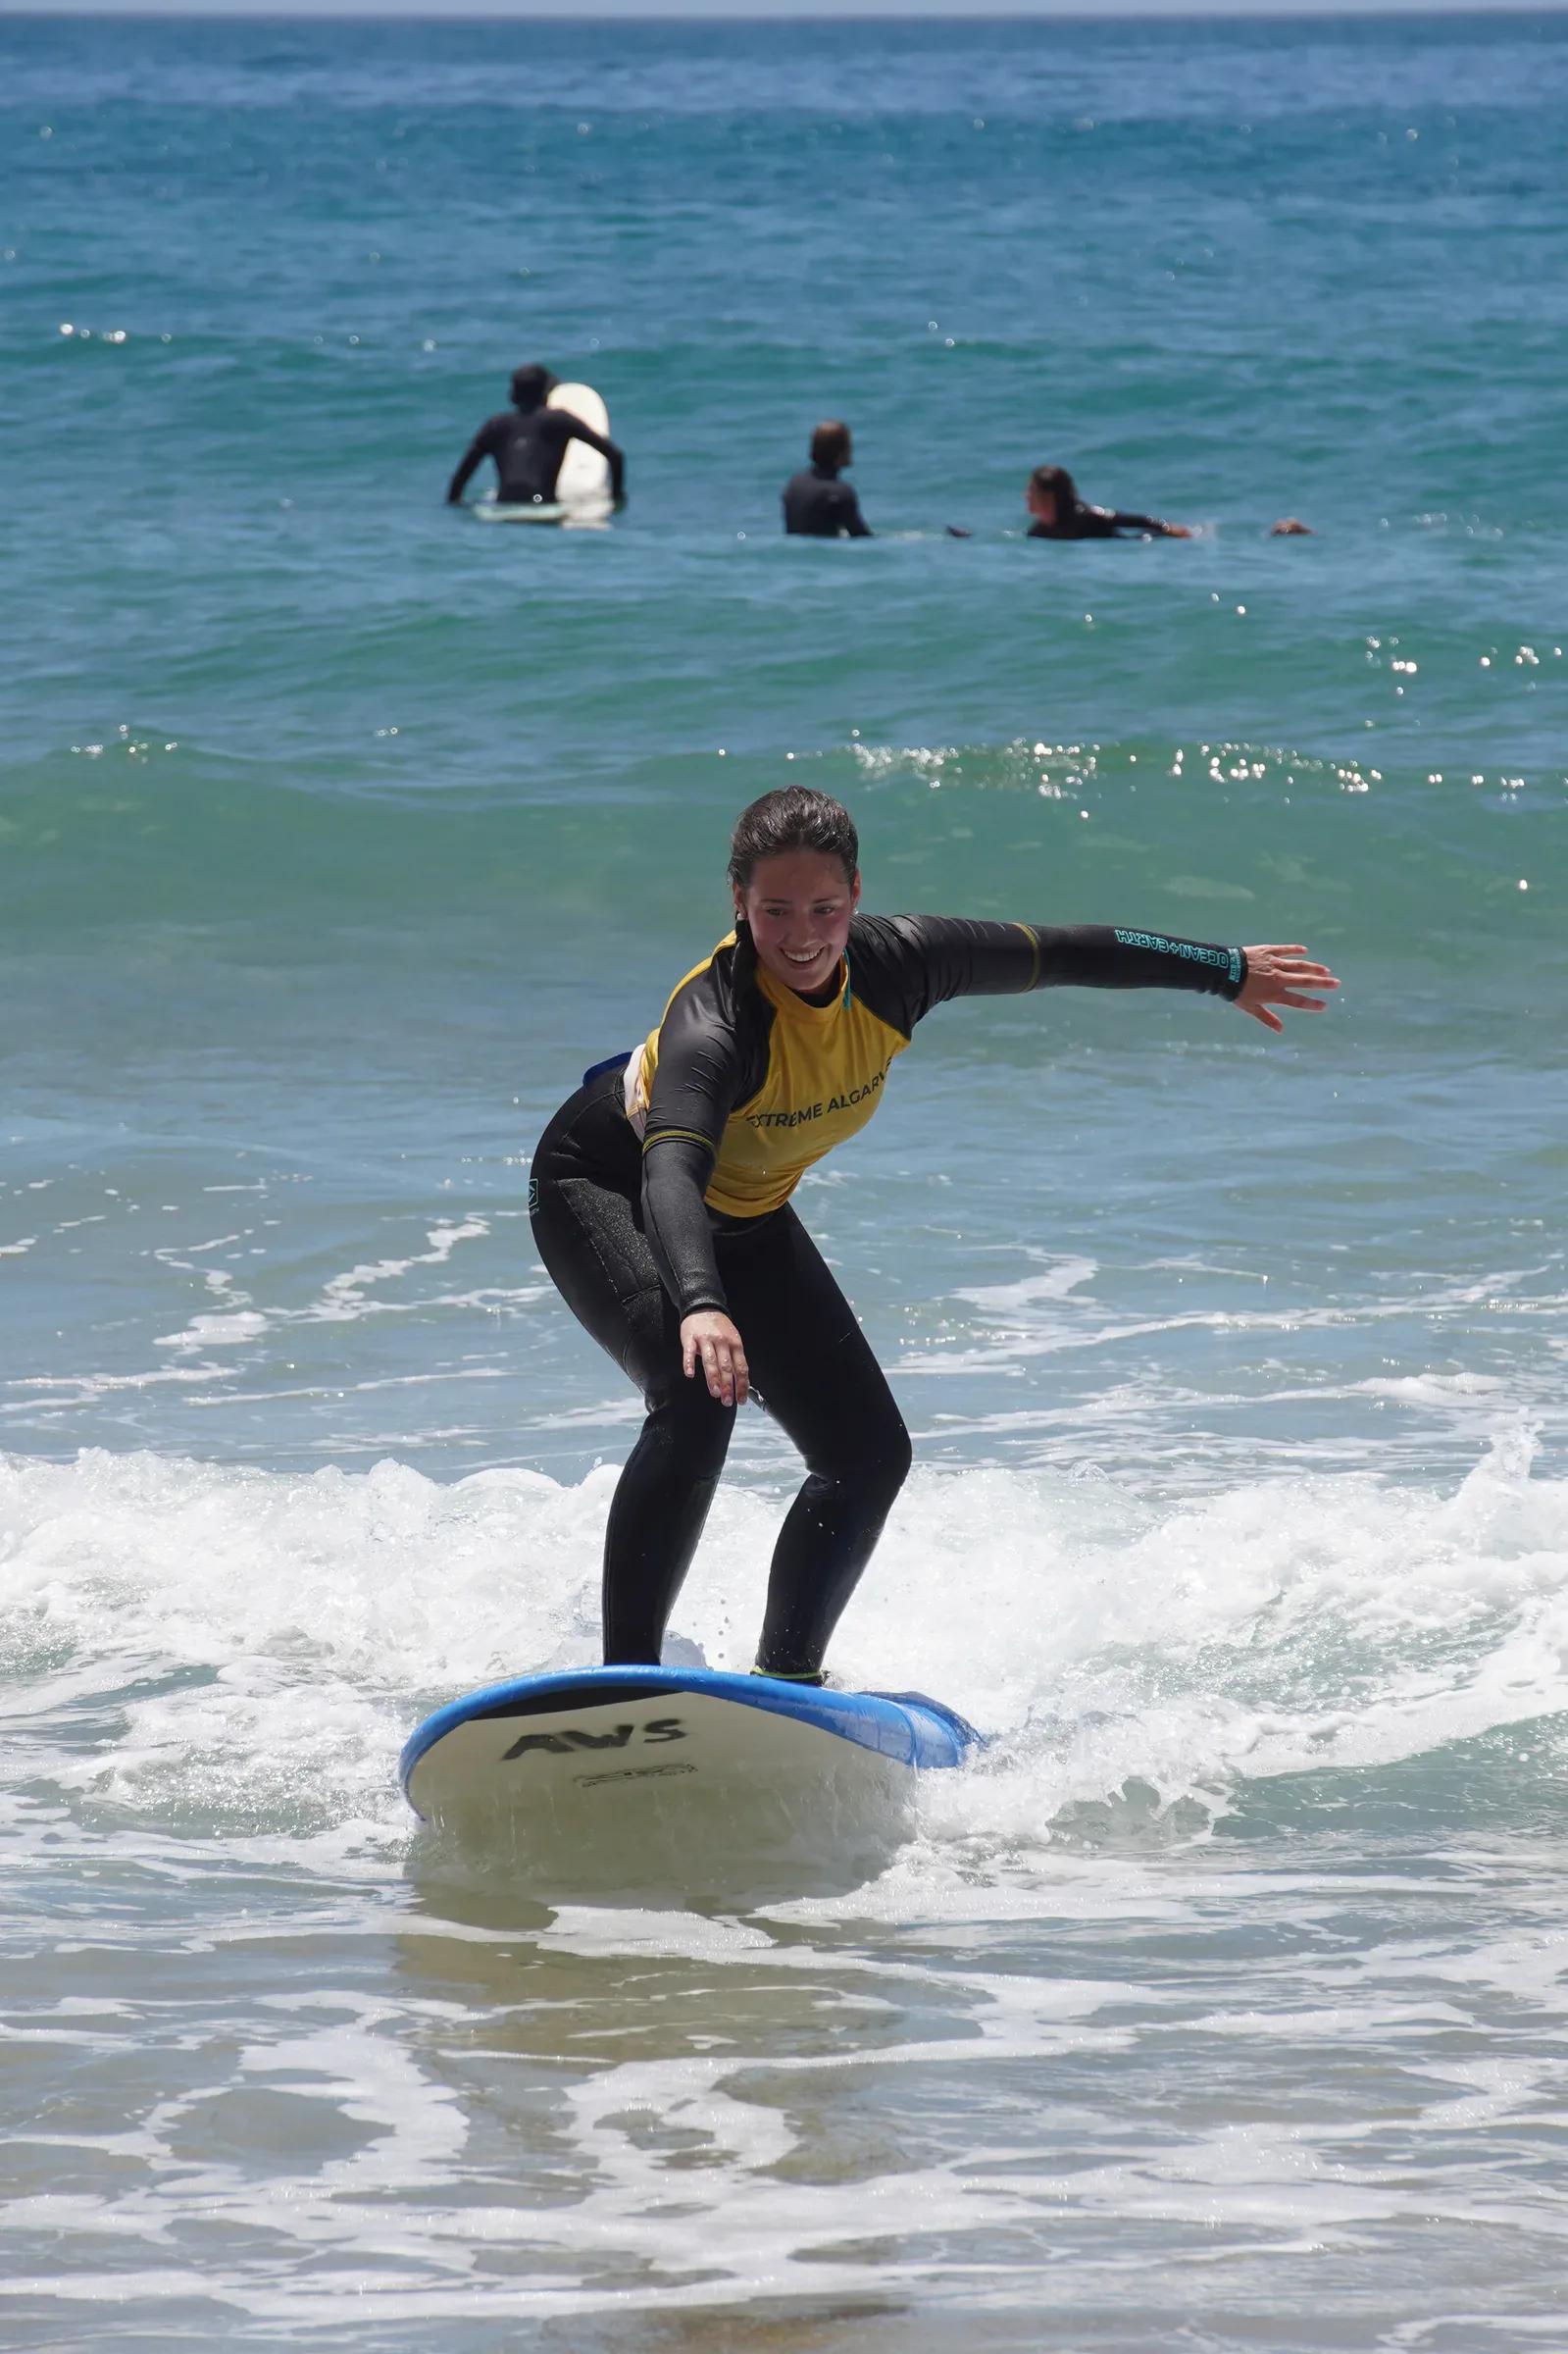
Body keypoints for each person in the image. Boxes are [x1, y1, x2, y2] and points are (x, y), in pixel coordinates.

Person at [529, 787, 1339, 1686]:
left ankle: (786, 1687)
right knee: (694, 1401)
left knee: (866, 1457)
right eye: (775, 912)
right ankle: (623, 1688)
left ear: (857, 895)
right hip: (609, 1184)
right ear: (738, 904)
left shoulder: (901, 965)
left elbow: (1067, 952)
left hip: (743, 1210)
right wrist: (703, 1305)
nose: (803, 935)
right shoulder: (715, 1024)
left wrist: (1222, 967)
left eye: (826, 909)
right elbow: (671, 1169)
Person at [446, 365, 626, 509]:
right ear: (546, 395)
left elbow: (462, 475)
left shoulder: (495, 425)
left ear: (512, 396)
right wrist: (616, 497)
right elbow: (615, 456)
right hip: (544, 505)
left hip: (504, 507)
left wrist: (454, 502)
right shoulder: (560, 420)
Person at [1026, 464, 1191, 540]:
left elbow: (1125, 520)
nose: (1026, 495)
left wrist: (1165, 527)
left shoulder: (1084, 517)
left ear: (1049, 495)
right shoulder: (1038, 531)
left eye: (1032, 490)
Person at [783, 422, 873, 538]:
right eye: (849, 446)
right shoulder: (840, 492)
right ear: (840, 452)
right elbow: (860, 536)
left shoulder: (794, 484)